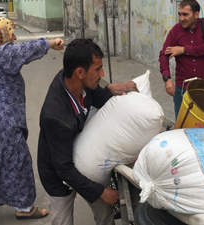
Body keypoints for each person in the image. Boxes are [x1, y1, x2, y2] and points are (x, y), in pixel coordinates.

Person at [37, 38, 138, 225]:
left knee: (105, 215)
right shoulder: (56, 116)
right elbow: (64, 169)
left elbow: (99, 97)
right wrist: (101, 192)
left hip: (85, 157)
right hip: (58, 174)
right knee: (63, 221)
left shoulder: (79, 83)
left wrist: (113, 89)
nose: (103, 73)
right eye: (98, 69)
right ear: (80, 72)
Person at [0, 18, 64, 219]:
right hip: (3, 124)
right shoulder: (0, 54)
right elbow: (23, 51)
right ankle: (25, 209)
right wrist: (49, 43)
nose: (13, 37)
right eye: (10, 32)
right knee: (18, 163)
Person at [159, 0, 204, 120]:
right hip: (183, 89)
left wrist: (183, 50)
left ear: (196, 14)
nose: (181, 18)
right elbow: (163, 55)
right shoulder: (175, 31)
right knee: (182, 124)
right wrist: (167, 78)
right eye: (180, 14)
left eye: (185, 14)